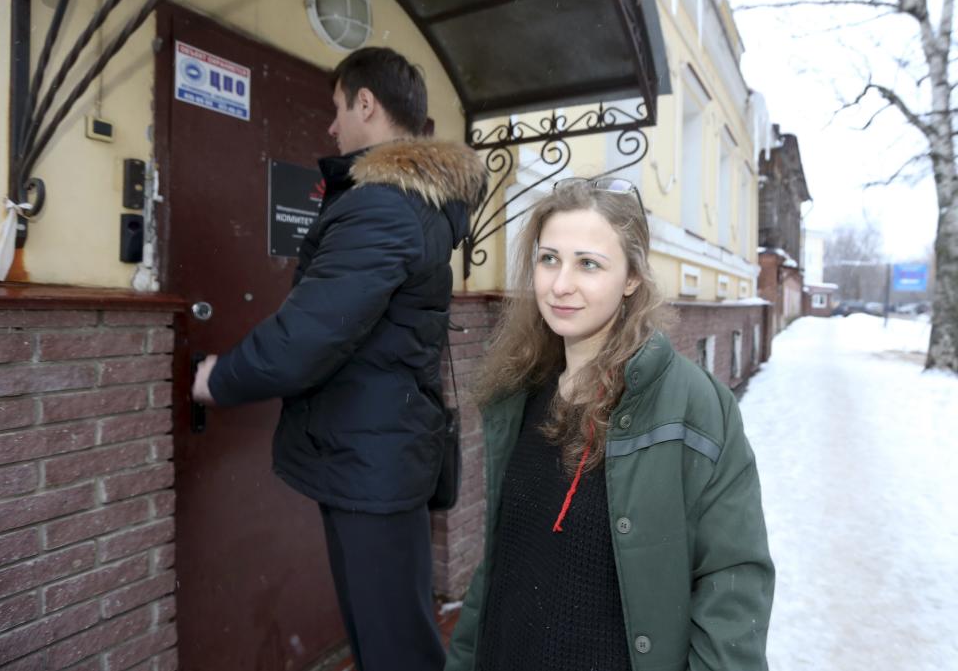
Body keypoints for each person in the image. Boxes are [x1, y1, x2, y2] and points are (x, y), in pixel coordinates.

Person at [191, 47, 487, 671]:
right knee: (388, 634)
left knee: (395, 646)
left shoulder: (383, 205)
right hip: (378, 449)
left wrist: (223, 378)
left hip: (371, 459)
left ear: (366, 104)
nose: (331, 127)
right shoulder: (419, 205)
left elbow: (310, 333)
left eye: (336, 109)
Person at [444, 178, 774, 671]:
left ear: (632, 278)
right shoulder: (520, 393)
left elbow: (733, 585)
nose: (559, 284)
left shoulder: (696, 407)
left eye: (588, 264)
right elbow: (501, 564)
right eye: (549, 258)